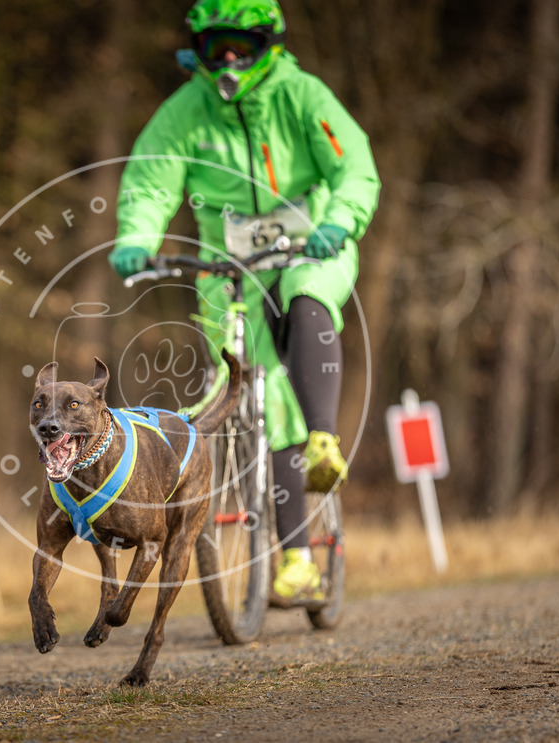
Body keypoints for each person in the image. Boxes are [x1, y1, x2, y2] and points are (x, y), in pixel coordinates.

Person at [109, 0, 380, 602]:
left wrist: (339, 220)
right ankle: (294, 561)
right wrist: (136, 238)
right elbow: (151, 181)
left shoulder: (302, 94)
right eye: (215, 48)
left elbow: (355, 167)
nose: (228, 59)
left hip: (315, 244)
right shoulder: (185, 112)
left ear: (267, 46)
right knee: (254, 388)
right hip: (225, 267)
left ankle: (324, 442)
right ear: (199, 52)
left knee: (306, 294)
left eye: (242, 47)